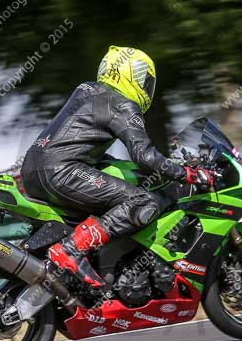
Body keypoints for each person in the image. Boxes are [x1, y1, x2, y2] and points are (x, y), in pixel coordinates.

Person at [20, 45, 211, 288]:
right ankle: (70, 250)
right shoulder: (122, 103)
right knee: (144, 202)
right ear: (130, 74)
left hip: (32, 169)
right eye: (144, 79)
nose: (145, 86)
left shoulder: (88, 89)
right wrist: (186, 173)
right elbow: (145, 156)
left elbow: (80, 140)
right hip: (62, 171)